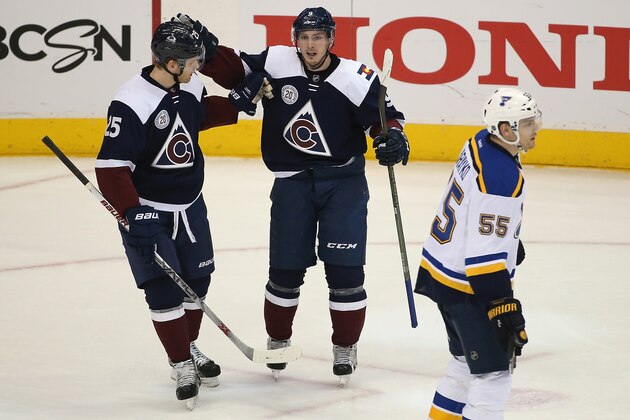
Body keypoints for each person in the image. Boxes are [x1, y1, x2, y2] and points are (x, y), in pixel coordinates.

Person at [200, 7, 410, 385]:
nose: (310, 45)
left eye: (318, 37)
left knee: (345, 272)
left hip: (342, 183)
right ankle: (278, 341)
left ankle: (345, 345)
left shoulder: (355, 77)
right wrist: (212, 52)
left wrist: (392, 137)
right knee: (284, 271)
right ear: (295, 39)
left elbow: (386, 118)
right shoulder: (278, 60)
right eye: (304, 37)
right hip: (292, 183)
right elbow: (234, 72)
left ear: (331, 39)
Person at [94, 18, 264, 408]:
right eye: (192, 61)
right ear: (171, 64)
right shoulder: (131, 100)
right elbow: (111, 167)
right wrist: (133, 211)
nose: (198, 66)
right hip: (149, 213)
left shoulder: (189, 85)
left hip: (190, 206)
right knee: (163, 289)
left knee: (198, 281)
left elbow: (197, 117)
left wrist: (237, 103)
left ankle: (187, 346)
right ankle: (180, 361)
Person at [414, 87, 541, 419]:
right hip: (468, 289)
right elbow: (483, 264)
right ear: (506, 130)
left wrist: (507, 243)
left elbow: (475, 209)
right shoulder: (502, 177)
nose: (535, 129)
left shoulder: (477, 143)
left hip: (441, 273)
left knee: (462, 366)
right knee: (493, 377)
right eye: (527, 123)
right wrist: (504, 308)